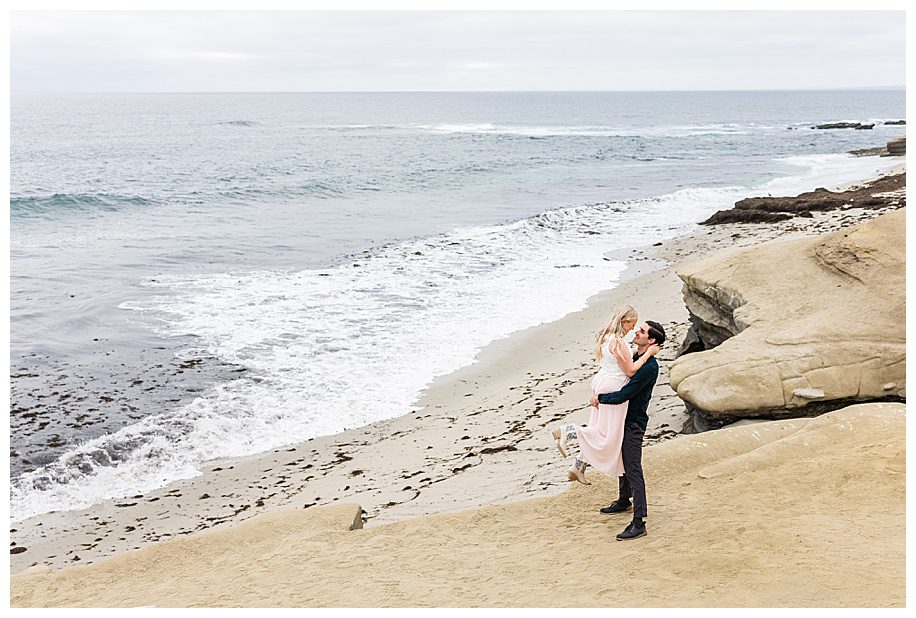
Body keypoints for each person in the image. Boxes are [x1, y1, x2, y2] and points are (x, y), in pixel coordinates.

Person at [551, 305, 660, 485]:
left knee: (598, 428)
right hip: (612, 387)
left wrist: (638, 352)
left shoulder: (607, 336)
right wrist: (648, 353)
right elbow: (631, 370)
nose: (633, 328)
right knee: (607, 436)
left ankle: (578, 465)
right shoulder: (619, 341)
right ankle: (568, 431)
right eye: (633, 325)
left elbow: (623, 356)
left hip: (602, 382)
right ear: (624, 321)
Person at [589, 320, 666, 541]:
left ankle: (639, 522)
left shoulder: (649, 368)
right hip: (620, 419)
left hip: (633, 423)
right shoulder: (635, 358)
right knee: (621, 461)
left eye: (641, 331)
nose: (636, 332)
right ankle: (624, 501)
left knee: (633, 468)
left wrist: (600, 398)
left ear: (650, 340)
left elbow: (624, 394)